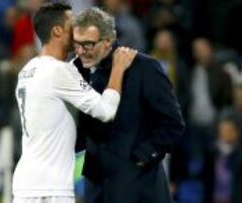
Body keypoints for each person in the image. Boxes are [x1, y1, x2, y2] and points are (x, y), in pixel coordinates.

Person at [12, 3, 137, 203]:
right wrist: (118, 69)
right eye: (73, 23)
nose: (79, 27)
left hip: (25, 184)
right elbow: (106, 110)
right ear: (57, 30)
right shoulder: (59, 72)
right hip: (50, 188)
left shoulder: (28, 69)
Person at [72, 7, 185, 203]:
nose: (81, 51)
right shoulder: (76, 71)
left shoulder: (144, 68)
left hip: (138, 187)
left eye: (88, 44)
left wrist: (141, 158)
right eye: (77, 44)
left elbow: (172, 124)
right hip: (97, 188)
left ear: (109, 40)